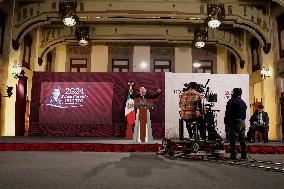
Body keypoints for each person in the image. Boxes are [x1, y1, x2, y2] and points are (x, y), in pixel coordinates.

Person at [224, 88, 247, 160]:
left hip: (235, 122)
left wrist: (227, 122)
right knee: (242, 140)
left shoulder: (231, 101)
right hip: (243, 122)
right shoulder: (243, 102)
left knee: (233, 140)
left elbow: (228, 113)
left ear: (233, 93)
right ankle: (244, 155)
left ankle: (233, 156)